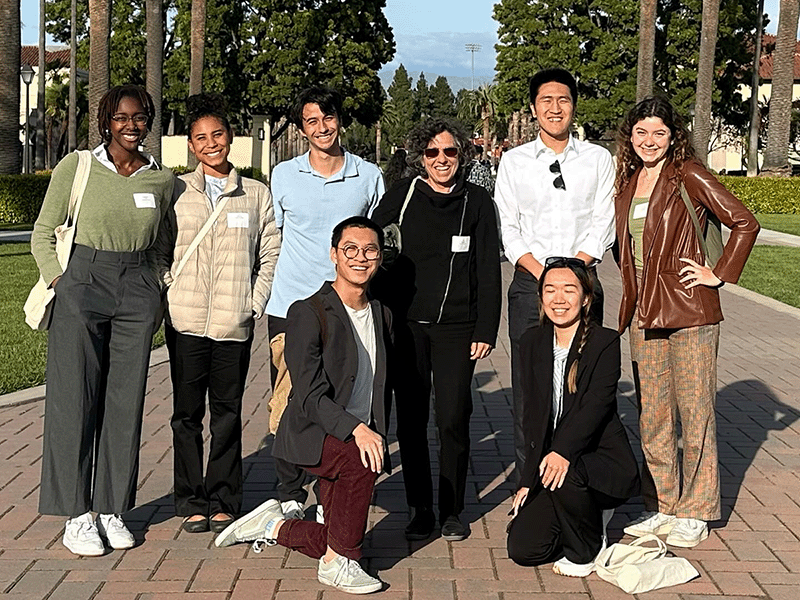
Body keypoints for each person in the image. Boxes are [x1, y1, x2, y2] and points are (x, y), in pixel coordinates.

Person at [31, 84, 175, 556]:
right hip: (81, 283)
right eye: (122, 117)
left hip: (136, 288)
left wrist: (153, 288)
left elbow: (162, 243)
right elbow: (41, 233)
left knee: (124, 399)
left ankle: (111, 508)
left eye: (140, 118)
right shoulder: (79, 166)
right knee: (75, 398)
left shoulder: (161, 179)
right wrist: (59, 283)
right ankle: (77, 515)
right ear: (105, 121)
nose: (131, 126)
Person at [214, 217, 391, 595]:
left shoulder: (381, 313)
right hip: (311, 432)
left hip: (350, 429)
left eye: (370, 250)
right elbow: (309, 396)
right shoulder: (308, 312)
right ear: (334, 255)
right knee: (362, 461)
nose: (360, 258)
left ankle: (273, 527)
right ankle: (338, 566)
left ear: (379, 257)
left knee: (335, 534)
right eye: (350, 249)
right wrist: (359, 431)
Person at [613, 97, 759, 547]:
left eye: (658, 132)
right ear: (630, 137)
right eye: (641, 132)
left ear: (673, 136)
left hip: (690, 309)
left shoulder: (689, 175)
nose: (649, 141)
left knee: (694, 412)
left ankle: (696, 509)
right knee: (653, 414)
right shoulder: (628, 181)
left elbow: (743, 222)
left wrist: (718, 273)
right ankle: (661, 503)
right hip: (643, 313)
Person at [155, 93, 280, 534]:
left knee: (227, 412)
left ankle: (225, 496)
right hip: (186, 321)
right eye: (201, 137)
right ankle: (190, 498)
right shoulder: (176, 191)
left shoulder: (255, 194)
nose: (211, 143)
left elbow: (270, 251)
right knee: (186, 414)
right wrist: (170, 289)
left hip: (233, 323)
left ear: (232, 138)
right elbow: (159, 248)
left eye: (219, 134)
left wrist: (254, 301)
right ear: (191, 145)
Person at [372, 117, 501, 542]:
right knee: (409, 421)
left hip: (458, 329)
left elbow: (487, 268)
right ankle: (419, 507)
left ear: (461, 154)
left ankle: (452, 508)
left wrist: (486, 328)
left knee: (452, 418)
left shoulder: (477, 201)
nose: (441, 160)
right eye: (432, 153)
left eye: (449, 152)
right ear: (420, 158)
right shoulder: (403, 195)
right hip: (408, 327)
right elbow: (371, 239)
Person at [266, 86, 385, 521]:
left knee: (339, 392)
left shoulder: (368, 175)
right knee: (289, 397)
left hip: (348, 304)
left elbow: (372, 237)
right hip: (291, 304)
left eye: (328, 118)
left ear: (340, 120)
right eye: (312, 120)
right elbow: (274, 236)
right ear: (302, 128)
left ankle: (327, 486)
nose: (322, 127)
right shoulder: (283, 175)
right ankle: (289, 491)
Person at [494, 68, 615, 485]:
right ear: (533, 108)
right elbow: (508, 226)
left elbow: (605, 219)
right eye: (546, 100)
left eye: (563, 99)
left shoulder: (598, 159)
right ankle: (530, 482)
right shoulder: (514, 162)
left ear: (574, 106)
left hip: (583, 283)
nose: (555, 108)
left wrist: (574, 273)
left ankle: (580, 476)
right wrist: (544, 272)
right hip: (531, 283)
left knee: (583, 383)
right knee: (530, 388)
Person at [506, 258, 639, 576]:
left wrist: (562, 452)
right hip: (556, 465)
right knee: (523, 548)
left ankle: (587, 550)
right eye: (549, 290)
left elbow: (595, 407)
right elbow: (532, 415)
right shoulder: (531, 342)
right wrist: (526, 481)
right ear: (540, 298)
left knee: (568, 470)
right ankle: (584, 516)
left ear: (586, 298)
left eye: (569, 289)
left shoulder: (604, 342)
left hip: (599, 463)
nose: (559, 298)